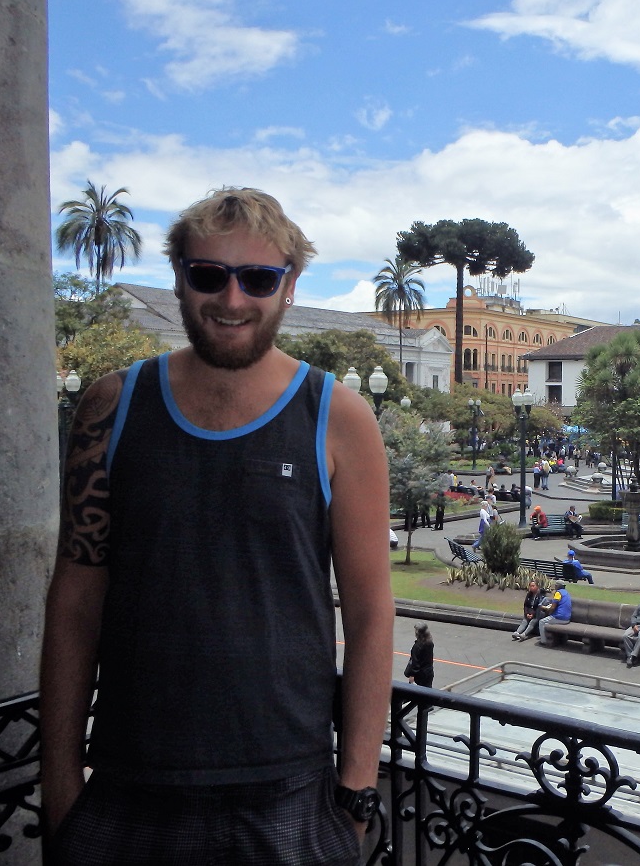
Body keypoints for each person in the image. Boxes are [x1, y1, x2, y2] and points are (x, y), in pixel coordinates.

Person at [40, 188, 392, 863]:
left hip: (288, 794)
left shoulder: (339, 418)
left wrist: (354, 792)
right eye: (209, 275)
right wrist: (60, 784)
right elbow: (76, 599)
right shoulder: (110, 407)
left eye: (258, 278)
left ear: (289, 286)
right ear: (179, 277)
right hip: (127, 790)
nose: (232, 300)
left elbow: (373, 613)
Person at [537, 580, 572, 644]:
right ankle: (548, 637)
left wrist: (543, 608)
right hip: (567, 618)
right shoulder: (566, 593)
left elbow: (553, 607)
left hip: (559, 618)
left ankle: (543, 641)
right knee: (546, 623)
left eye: (556, 585)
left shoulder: (558, 593)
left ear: (558, 586)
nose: (555, 586)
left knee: (541, 622)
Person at [404, 622, 435, 688]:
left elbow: (415, 663)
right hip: (429, 671)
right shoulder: (429, 643)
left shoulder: (417, 646)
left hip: (420, 674)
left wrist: (412, 675)